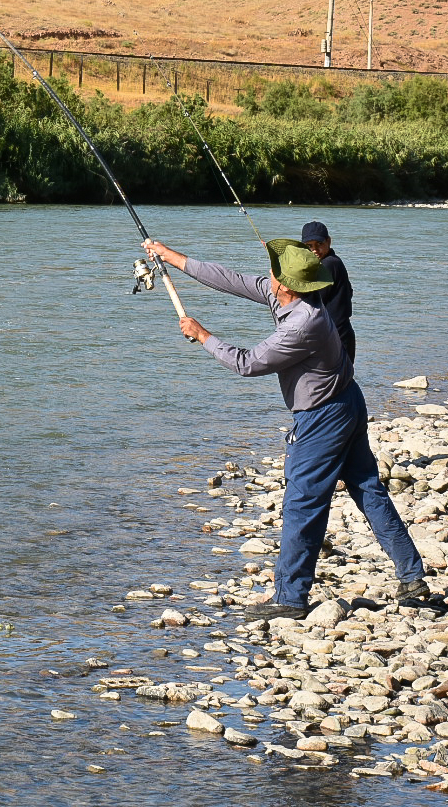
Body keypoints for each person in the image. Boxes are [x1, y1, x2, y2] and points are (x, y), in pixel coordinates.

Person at [143, 236, 428, 620]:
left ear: (285, 284)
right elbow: (229, 279)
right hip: (347, 400)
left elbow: (247, 363)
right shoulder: (295, 297)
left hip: (323, 417)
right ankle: (412, 576)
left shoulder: (303, 325)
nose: (268, 275)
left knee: (302, 505)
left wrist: (203, 336)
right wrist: (170, 257)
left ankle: (291, 598)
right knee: (366, 488)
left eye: (275, 272)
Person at [301, 220, 354, 363]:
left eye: (319, 244)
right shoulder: (334, 261)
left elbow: (310, 299)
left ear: (328, 241)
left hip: (337, 336)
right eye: (309, 246)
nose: (315, 250)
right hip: (338, 334)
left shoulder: (328, 265)